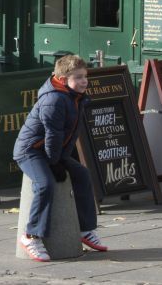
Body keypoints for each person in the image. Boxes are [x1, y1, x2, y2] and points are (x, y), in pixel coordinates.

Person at [12, 54, 107, 261]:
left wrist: (61, 159)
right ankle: (31, 235)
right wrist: (55, 162)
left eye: (85, 76)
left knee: (81, 174)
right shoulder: (54, 100)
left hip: (51, 150)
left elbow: (70, 134)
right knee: (45, 184)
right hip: (30, 151)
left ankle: (84, 229)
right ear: (63, 80)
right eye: (79, 77)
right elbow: (53, 135)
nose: (84, 81)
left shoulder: (74, 96)